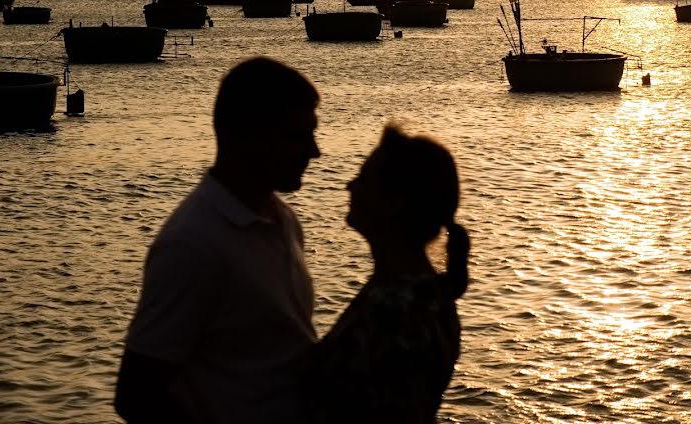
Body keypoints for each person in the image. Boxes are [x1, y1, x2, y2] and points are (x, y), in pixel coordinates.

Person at [114, 56, 321, 424]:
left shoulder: (283, 220)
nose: (314, 151)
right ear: (252, 136)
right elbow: (137, 396)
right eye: (298, 135)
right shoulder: (192, 244)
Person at [298, 125, 470, 423]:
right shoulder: (426, 294)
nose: (349, 186)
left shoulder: (395, 311)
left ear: (395, 203)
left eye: (364, 179)